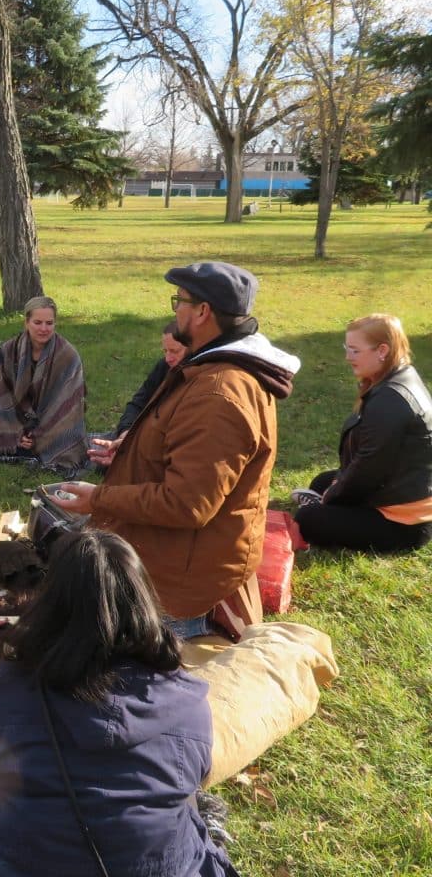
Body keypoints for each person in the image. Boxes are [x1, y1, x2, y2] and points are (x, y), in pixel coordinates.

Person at [0, 530, 239, 877]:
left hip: (13, 864)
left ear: (49, 605)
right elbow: (192, 781)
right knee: (187, 804)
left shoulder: (7, 689)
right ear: (146, 603)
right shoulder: (188, 702)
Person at [51, 262, 300, 639]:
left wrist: (97, 500)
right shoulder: (209, 368)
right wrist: (134, 447)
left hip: (178, 588)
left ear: (203, 312)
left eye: (179, 301)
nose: (176, 309)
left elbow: (187, 504)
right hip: (174, 557)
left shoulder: (219, 394)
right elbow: (186, 445)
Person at [293, 313, 432, 552]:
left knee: (308, 519)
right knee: (322, 482)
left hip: (404, 524)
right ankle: (329, 505)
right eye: (347, 348)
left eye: (355, 351)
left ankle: (322, 508)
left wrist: (332, 496)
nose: (348, 357)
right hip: (397, 488)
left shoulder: (390, 401)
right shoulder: (399, 375)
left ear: (382, 350)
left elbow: (369, 468)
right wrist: (336, 487)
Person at [0, 296, 86, 470]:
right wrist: (19, 430)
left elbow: (69, 405)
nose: (44, 328)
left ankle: (27, 446)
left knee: (67, 436)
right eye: (38, 322)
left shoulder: (68, 356)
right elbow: (0, 398)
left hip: (52, 419)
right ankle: (20, 444)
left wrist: (35, 431)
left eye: (49, 323)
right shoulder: (8, 350)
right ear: (26, 322)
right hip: (15, 415)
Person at [114, 320, 188, 436]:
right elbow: (138, 403)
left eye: (174, 351)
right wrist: (125, 433)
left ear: (192, 349)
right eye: (165, 351)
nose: (168, 358)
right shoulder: (164, 366)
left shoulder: (200, 380)